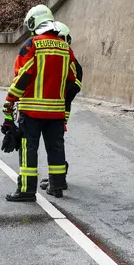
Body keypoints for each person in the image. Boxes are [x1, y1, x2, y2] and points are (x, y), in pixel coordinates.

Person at [2, 5, 80, 201]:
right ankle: (57, 186)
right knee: (56, 148)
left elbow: (24, 75)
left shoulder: (32, 45)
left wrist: (10, 100)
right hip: (56, 113)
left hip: (32, 112)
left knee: (29, 149)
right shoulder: (66, 48)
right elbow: (72, 80)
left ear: (33, 23)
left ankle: (27, 190)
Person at [39, 22, 82, 192]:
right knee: (53, 145)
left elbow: (74, 87)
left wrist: (57, 96)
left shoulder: (73, 63)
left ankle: (59, 179)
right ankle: (55, 178)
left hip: (60, 110)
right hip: (54, 109)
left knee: (55, 145)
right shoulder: (61, 59)